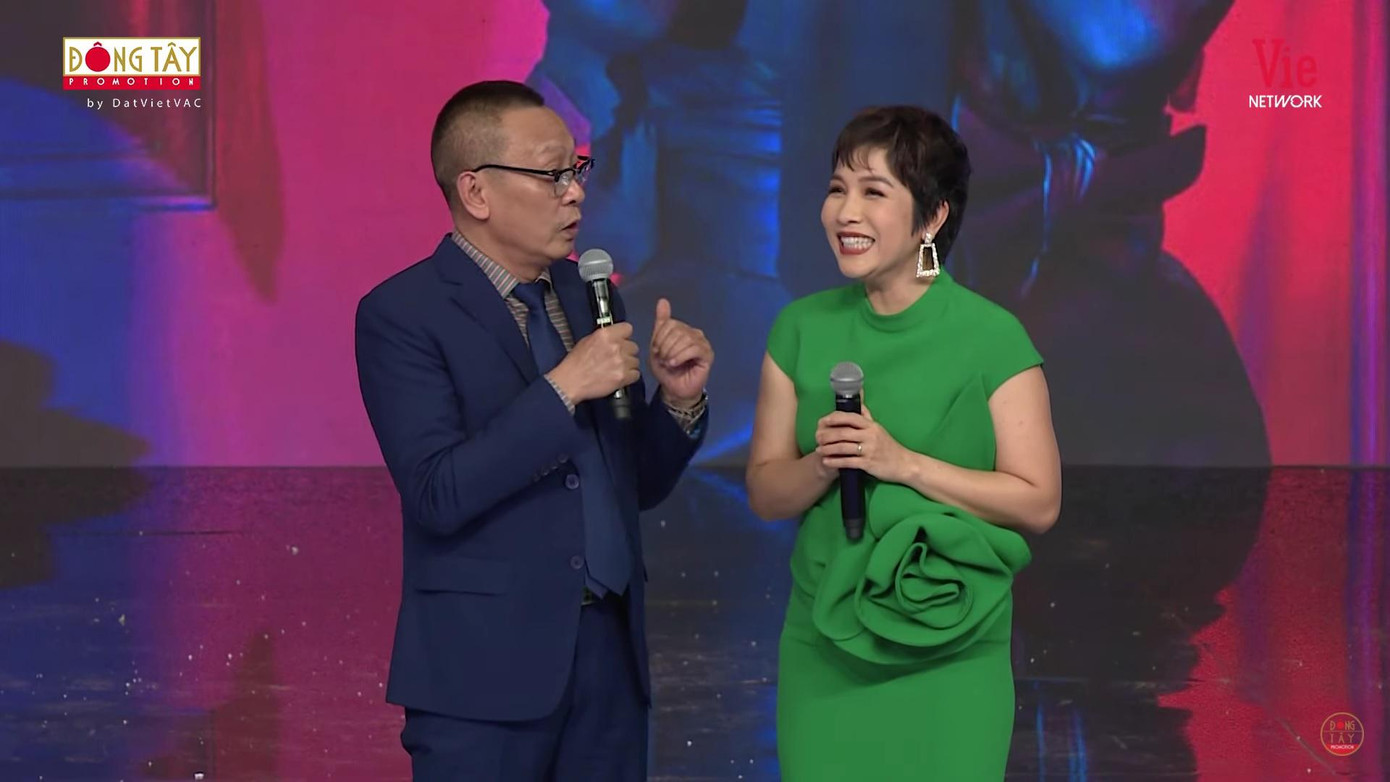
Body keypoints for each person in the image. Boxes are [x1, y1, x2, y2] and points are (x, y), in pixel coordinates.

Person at [354, 80, 713, 781]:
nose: (574, 194)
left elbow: (630, 484)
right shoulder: (403, 314)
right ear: (476, 192)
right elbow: (437, 492)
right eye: (551, 175)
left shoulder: (590, 295)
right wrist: (563, 388)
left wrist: (679, 403)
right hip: (482, 677)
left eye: (576, 171)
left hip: (610, 662)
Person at [746, 105, 1061, 780]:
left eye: (873, 192)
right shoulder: (799, 330)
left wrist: (902, 464)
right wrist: (825, 462)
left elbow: (1038, 503)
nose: (845, 212)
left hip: (951, 645)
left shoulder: (992, 338)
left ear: (932, 216)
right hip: (824, 643)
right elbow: (768, 494)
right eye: (837, 188)